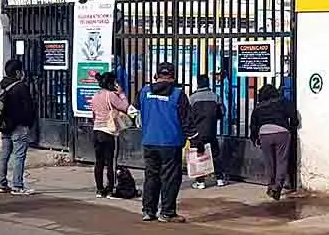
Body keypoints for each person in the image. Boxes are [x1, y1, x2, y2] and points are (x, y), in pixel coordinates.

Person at [138, 61, 195, 223]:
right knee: (170, 178)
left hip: (149, 141)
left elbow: (135, 110)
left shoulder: (144, 92)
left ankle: (148, 211)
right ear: (173, 76)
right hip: (170, 142)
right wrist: (195, 139)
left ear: (156, 75)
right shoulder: (178, 94)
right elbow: (187, 121)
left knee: (151, 176)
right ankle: (167, 212)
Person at [249, 83, 297, 200]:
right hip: (282, 132)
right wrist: (292, 127)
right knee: (282, 160)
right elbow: (293, 115)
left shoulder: (258, 107)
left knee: (269, 162)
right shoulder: (283, 101)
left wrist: (255, 138)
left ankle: (270, 185)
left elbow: (253, 125)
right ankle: (277, 187)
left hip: (264, 133)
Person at [0, 58, 37, 195]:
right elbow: (28, 107)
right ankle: (17, 185)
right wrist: (29, 123)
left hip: (5, 125)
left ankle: (2, 183)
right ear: (18, 72)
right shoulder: (21, 87)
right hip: (19, 126)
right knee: (19, 156)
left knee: (5, 154)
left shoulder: (2, 84)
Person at [89, 71, 129, 198]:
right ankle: (111, 189)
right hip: (108, 132)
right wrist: (121, 94)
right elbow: (125, 107)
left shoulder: (96, 95)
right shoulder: (111, 95)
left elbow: (93, 114)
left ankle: (99, 189)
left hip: (96, 131)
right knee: (110, 162)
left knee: (99, 162)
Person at [188, 74, 226, 189]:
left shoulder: (192, 98)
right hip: (211, 131)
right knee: (215, 155)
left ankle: (200, 182)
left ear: (198, 84)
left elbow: (188, 116)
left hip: (197, 133)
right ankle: (220, 179)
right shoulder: (215, 97)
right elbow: (222, 112)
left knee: (198, 156)